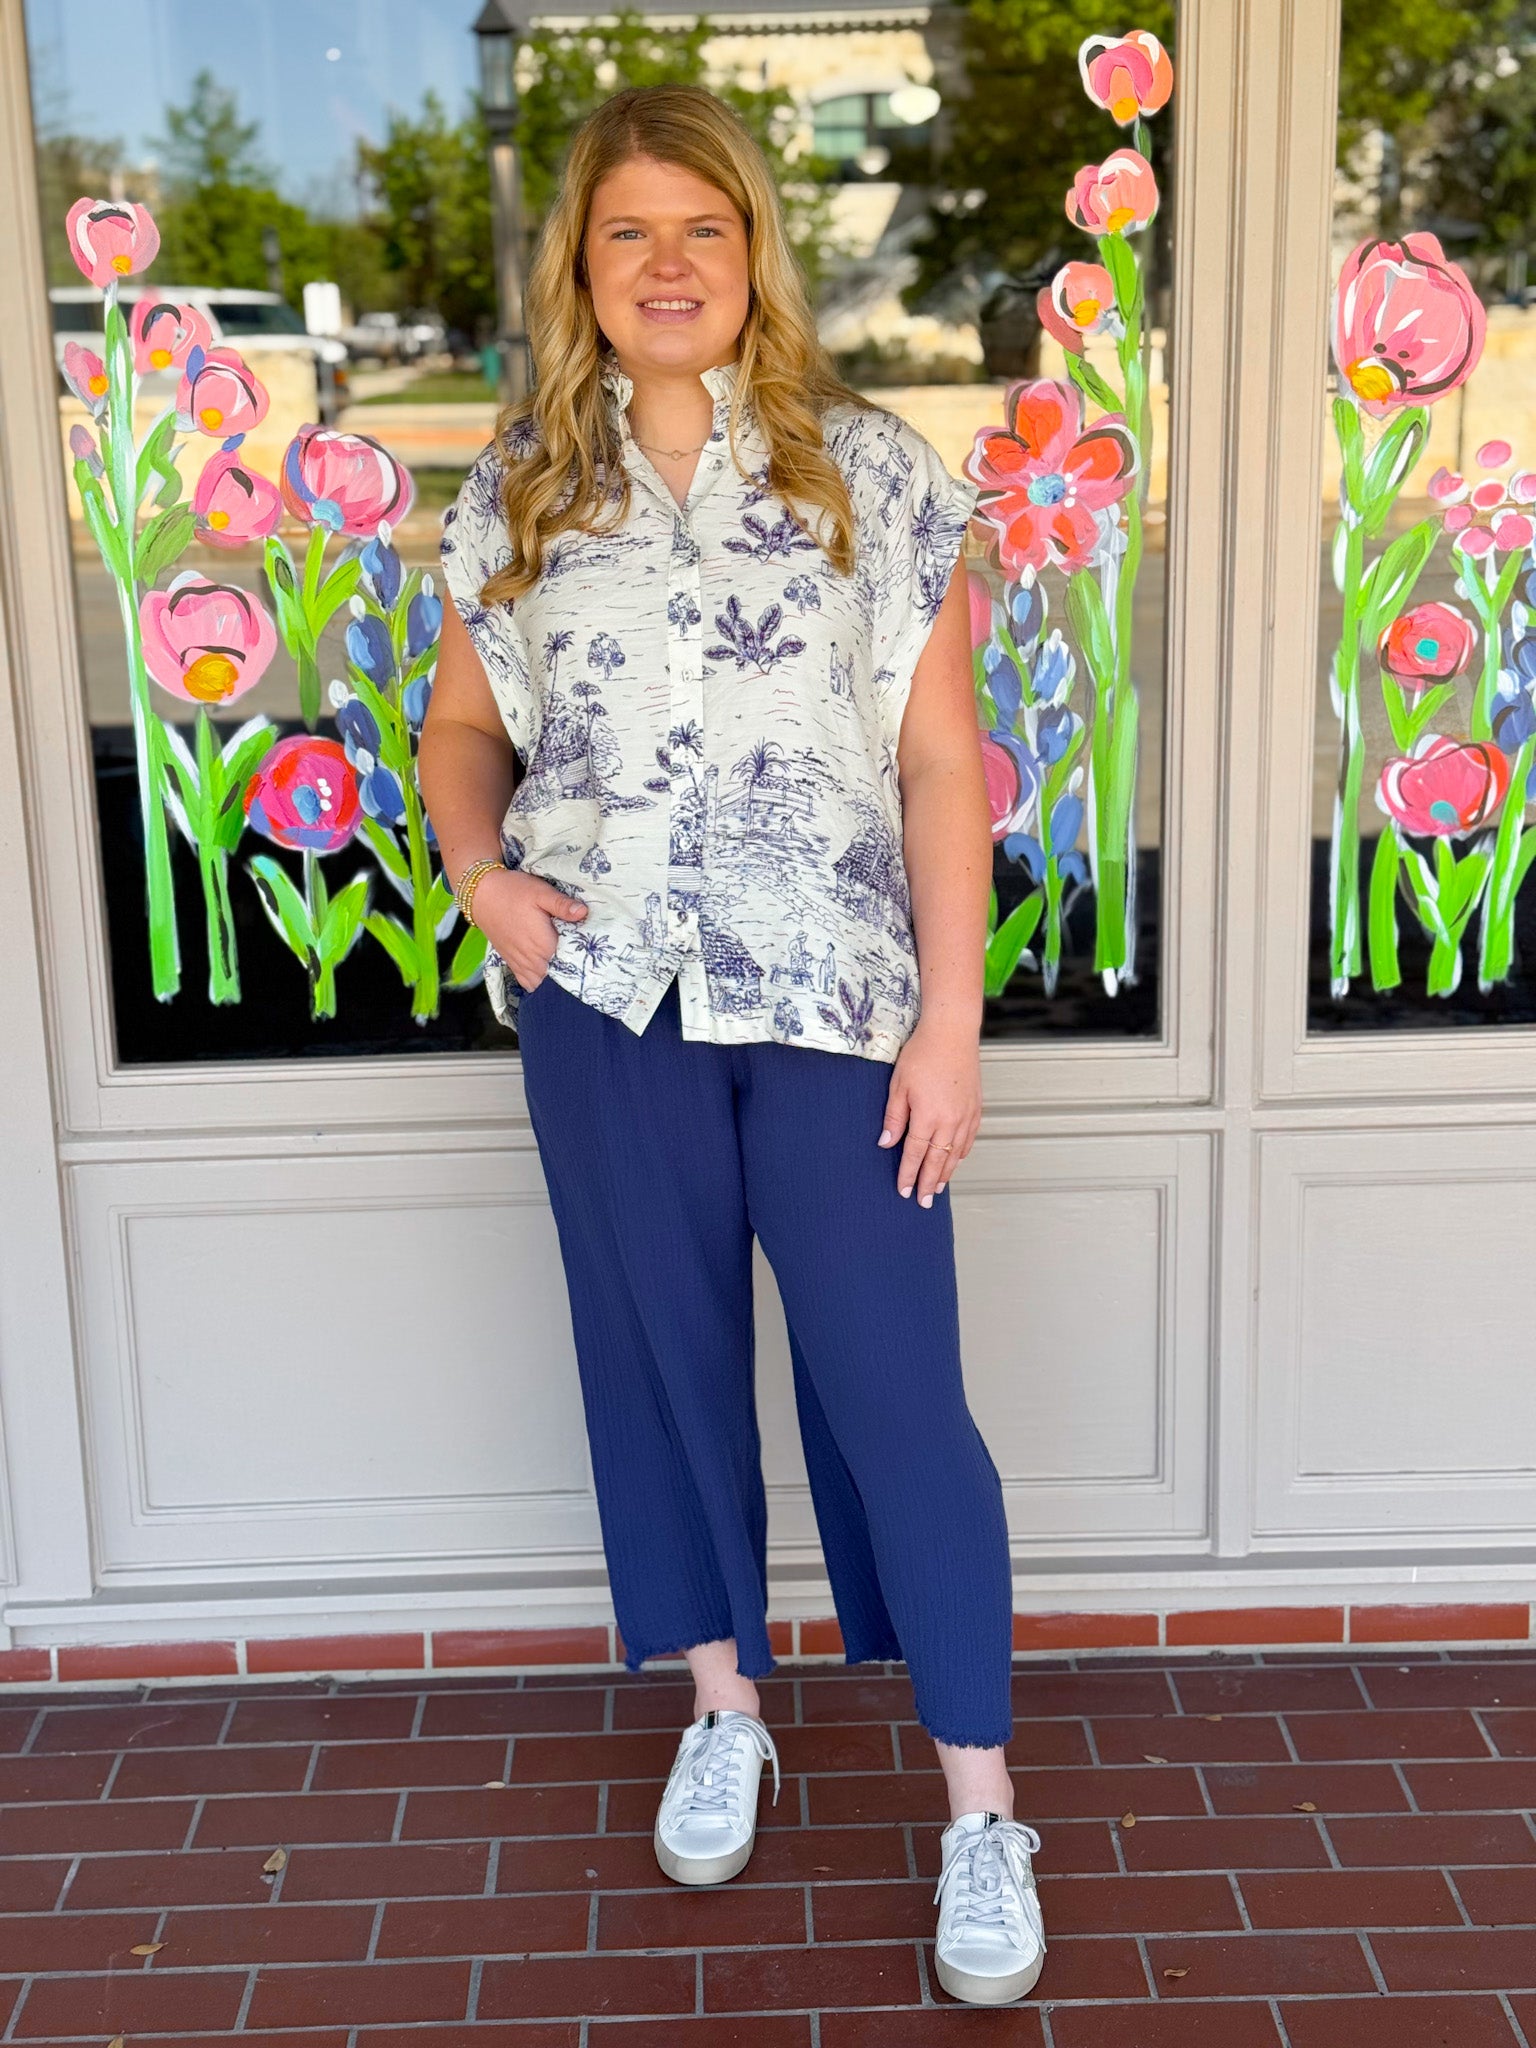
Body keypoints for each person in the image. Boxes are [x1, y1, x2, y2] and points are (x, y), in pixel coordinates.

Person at [420, 83, 1046, 2006]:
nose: (669, 262)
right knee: (655, 1367)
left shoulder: (870, 472)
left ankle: (981, 1809)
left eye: (704, 225)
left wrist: (951, 1026)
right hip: (607, 1002)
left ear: (757, 251)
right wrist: (482, 879)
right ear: (582, 265)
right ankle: (723, 1708)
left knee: (898, 1395)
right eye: (629, 230)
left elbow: (939, 765)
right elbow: (465, 730)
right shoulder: (522, 483)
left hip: (840, 1008)